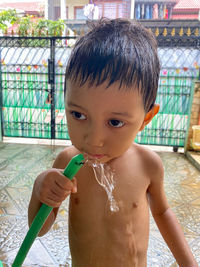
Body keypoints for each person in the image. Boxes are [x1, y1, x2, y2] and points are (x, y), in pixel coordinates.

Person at [28, 18, 198, 267]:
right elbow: (39, 230)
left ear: (146, 119)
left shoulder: (147, 164)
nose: (93, 140)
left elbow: (162, 212)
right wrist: (39, 193)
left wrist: (189, 263)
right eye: (78, 115)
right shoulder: (67, 163)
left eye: (115, 122)